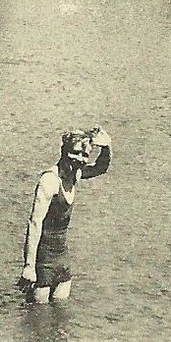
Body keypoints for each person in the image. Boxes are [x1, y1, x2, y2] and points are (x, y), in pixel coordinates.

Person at [20, 127, 112, 303]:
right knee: (38, 318)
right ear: (64, 151)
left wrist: (106, 146)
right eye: (75, 153)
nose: (80, 159)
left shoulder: (76, 173)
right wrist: (29, 266)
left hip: (62, 258)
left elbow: (101, 168)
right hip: (44, 259)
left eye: (85, 155)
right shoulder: (49, 180)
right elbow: (34, 222)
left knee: (62, 319)